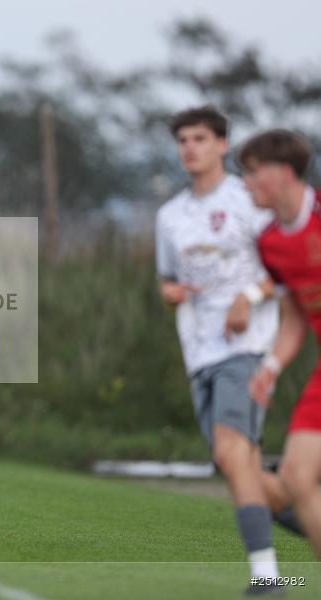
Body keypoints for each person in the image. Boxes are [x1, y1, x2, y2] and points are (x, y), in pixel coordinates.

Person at [155, 106, 296, 595]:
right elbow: (167, 280)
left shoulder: (249, 201)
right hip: (199, 351)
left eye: (199, 138)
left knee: (233, 453)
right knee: (239, 464)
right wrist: (170, 292)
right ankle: (310, 519)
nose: (189, 147)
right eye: (183, 140)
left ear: (222, 146)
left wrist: (248, 297)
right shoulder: (169, 215)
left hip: (247, 348)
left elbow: (284, 275)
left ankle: (267, 577)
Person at [244, 129, 321, 561]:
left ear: (285, 172)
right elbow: (295, 316)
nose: (247, 182)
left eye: (255, 172)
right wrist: (271, 367)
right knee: (294, 475)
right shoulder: (270, 243)